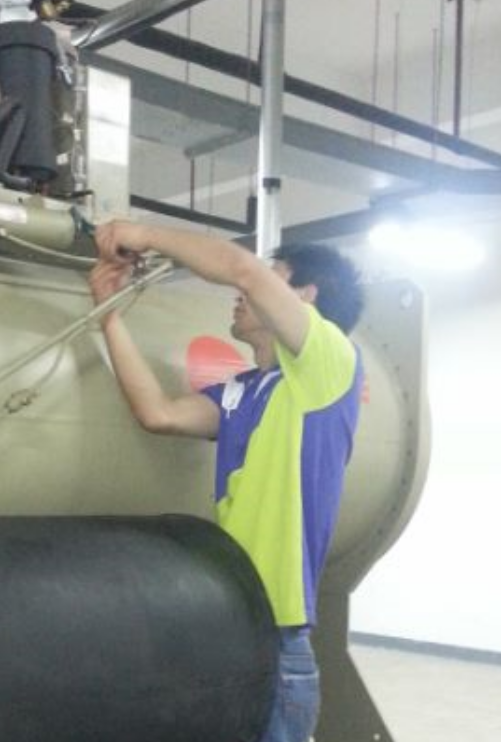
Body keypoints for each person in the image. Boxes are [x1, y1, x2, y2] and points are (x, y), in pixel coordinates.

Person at [90, 220, 365, 742]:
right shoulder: (244, 390)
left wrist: (144, 233)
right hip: (232, 624)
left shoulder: (328, 366)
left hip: (276, 639)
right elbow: (159, 414)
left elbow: (242, 269)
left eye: (272, 277)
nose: (243, 292)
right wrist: (110, 317)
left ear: (305, 297)